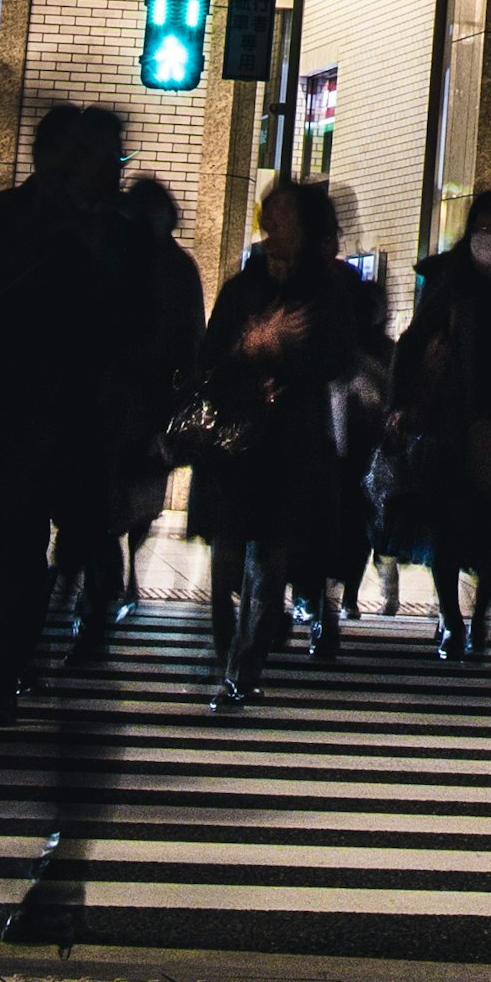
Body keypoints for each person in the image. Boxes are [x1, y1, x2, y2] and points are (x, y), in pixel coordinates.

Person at [0, 108, 112, 724]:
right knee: (21, 544)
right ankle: (7, 664)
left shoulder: (97, 232)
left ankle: (13, 658)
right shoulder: (13, 223)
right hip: (17, 410)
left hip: (61, 413)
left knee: (40, 548)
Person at [186, 178, 368, 707]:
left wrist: (285, 351)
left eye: (285, 213)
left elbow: (340, 360)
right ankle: (227, 653)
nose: (273, 222)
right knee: (225, 560)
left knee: (270, 563)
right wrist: (249, 346)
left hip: (290, 444)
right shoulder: (243, 286)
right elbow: (209, 357)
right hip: (235, 445)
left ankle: (244, 667)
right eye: (271, 212)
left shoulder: (327, 291)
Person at [390, 187, 491, 660]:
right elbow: (412, 343)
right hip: (452, 421)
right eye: (480, 230)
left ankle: (479, 615)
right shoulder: (450, 282)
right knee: (448, 522)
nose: (488, 240)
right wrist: (404, 402)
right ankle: (451, 619)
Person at [111, 169, 208, 613]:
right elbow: (192, 340)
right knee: (142, 495)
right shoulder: (178, 266)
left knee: (118, 493)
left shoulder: (122, 256)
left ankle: (109, 577)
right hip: (153, 402)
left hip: (125, 399)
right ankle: (123, 573)